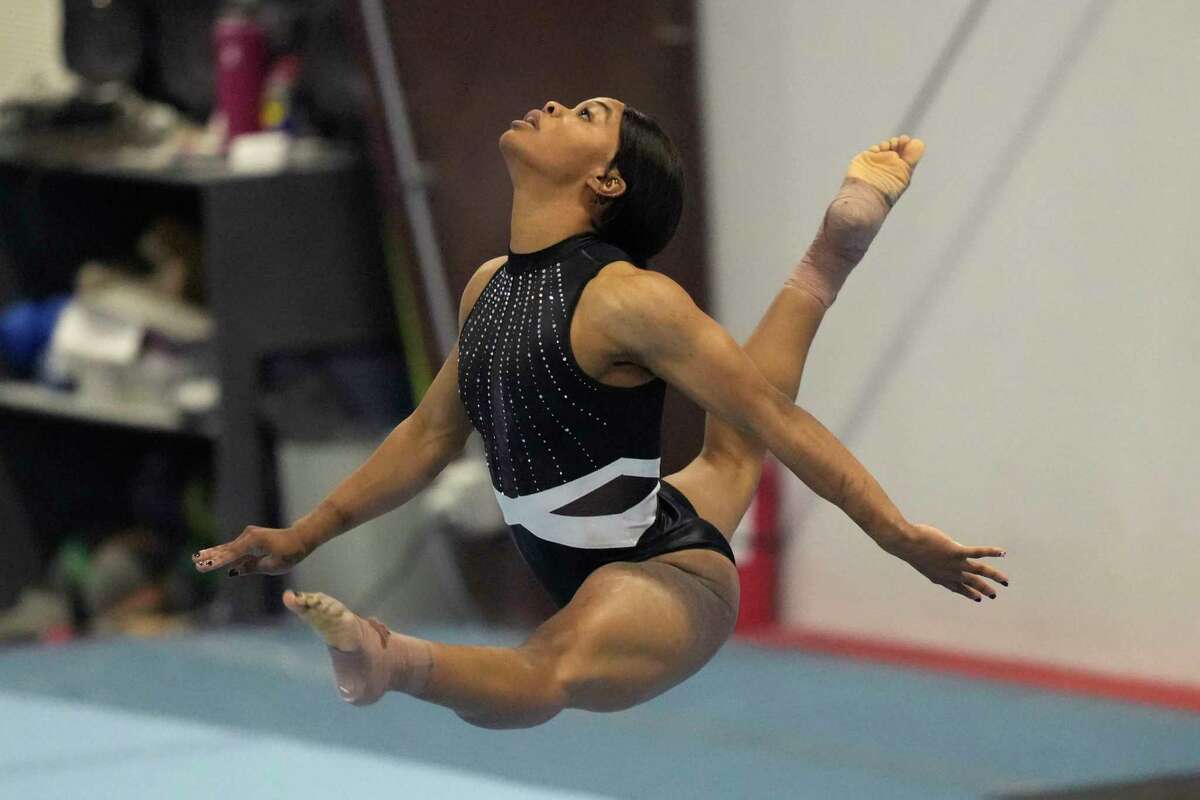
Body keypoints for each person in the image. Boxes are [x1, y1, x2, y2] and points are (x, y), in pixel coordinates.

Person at [193, 98, 1010, 729]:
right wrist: (305, 535)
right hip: (640, 517)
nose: (552, 108)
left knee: (551, 667)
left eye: (585, 115)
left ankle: (389, 662)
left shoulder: (628, 300)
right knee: (727, 458)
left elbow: (780, 422)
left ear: (606, 181)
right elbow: (428, 436)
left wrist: (898, 535)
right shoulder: (490, 286)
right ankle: (837, 241)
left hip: (666, 575)